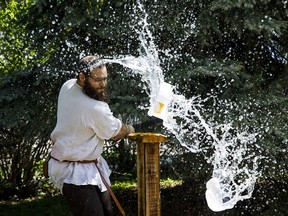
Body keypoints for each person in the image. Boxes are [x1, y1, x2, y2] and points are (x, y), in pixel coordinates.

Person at [48, 55, 135, 216]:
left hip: (87, 167)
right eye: (97, 80)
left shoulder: (67, 86)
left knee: (108, 212)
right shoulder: (95, 108)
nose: (103, 85)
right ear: (82, 76)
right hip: (74, 174)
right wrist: (130, 129)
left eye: (105, 79)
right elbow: (115, 133)